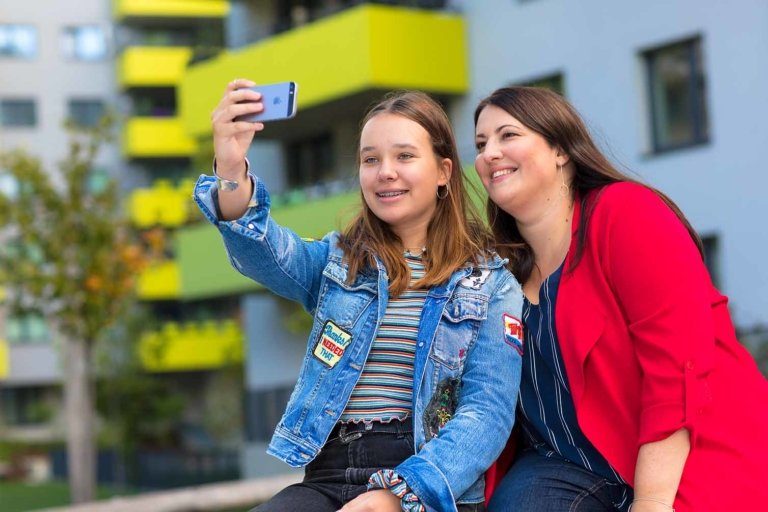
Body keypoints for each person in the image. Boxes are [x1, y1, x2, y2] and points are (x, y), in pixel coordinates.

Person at [194, 80, 524, 512]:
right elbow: (262, 250)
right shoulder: (338, 263)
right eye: (371, 160)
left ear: (444, 172)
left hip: (421, 477)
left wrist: (399, 494)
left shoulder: (491, 283)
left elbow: (487, 415)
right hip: (328, 471)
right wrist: (231, 170)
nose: (385, 171)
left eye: (404, 156)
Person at [473, 86, 768, 512]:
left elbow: (676, 366)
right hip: (564, 465)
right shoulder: (498, 270)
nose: (490, 153)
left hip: (682, 455)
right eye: (481, 144)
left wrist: (650, 501)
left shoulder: (627, 213)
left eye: (507, 135)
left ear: (560, 150)